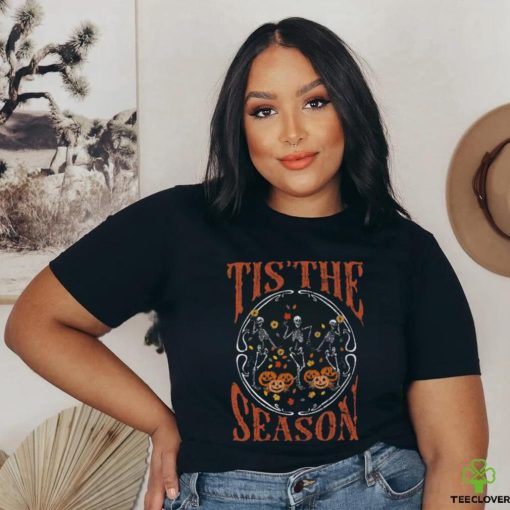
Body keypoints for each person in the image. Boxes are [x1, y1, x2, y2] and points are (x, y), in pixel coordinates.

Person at [4, 17, 489, 510]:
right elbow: (35, 325)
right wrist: (157, 421)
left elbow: (463, 456)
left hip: (377, 491)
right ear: (238, 124)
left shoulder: (411, 252)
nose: (292, 133)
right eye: (263, 111)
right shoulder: (176, 224)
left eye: (315, 102)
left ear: (351, 111)